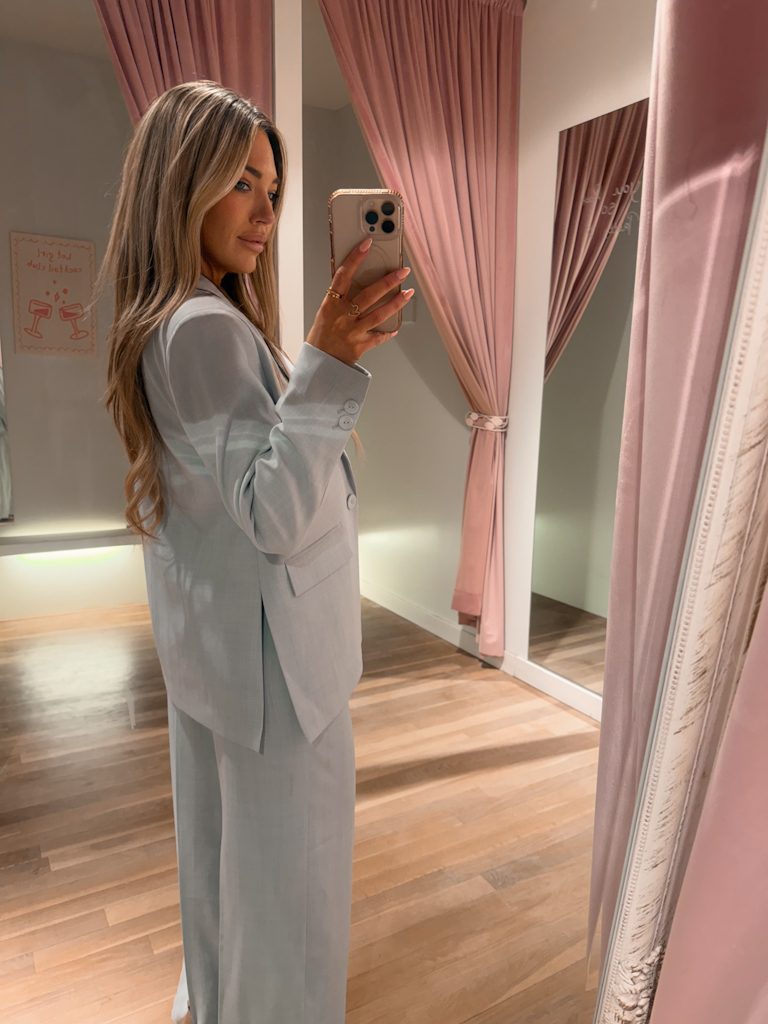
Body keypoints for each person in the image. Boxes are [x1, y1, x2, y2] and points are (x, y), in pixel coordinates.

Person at [98, 79, 414, 1024]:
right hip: (281, 673)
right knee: (292, 908)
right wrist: (331, 362)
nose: (266, 211)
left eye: (271, 188)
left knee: (225, 872)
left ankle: (216, 1004)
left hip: (228, 658)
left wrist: (320, 360)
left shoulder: (179, 318)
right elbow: (273, 511)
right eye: (241, 182)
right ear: (181, 180)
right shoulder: (203, 326)